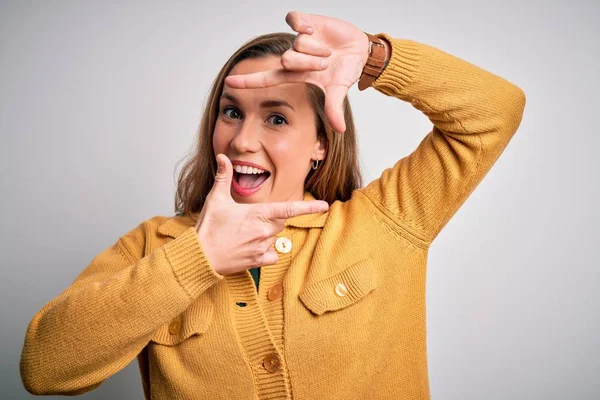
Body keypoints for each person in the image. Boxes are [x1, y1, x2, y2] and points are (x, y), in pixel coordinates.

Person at [20, 11, 526, 399]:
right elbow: (44, 369)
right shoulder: (156, 244)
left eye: (277, 119)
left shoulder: (386, 222)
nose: (242, 140)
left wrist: (376, 59)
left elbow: (495, 112)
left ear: (321, 143)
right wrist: (197, 260)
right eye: (231, 112)